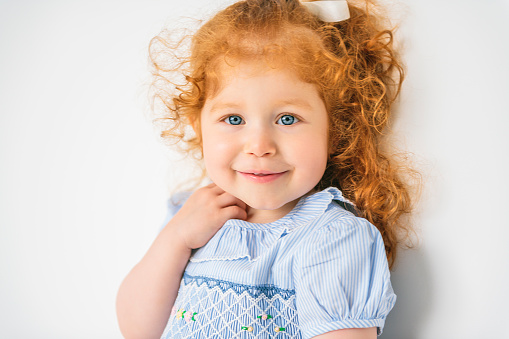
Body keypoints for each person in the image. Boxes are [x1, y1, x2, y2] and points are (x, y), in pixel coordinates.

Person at [116, 0, 415, 338]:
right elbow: (137, 330)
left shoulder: (330, 237)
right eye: (233, 119)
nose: (259, 146)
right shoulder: (191, 218)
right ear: (199, 128)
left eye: (287, 119)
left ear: (335, 131)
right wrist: (175, 240)